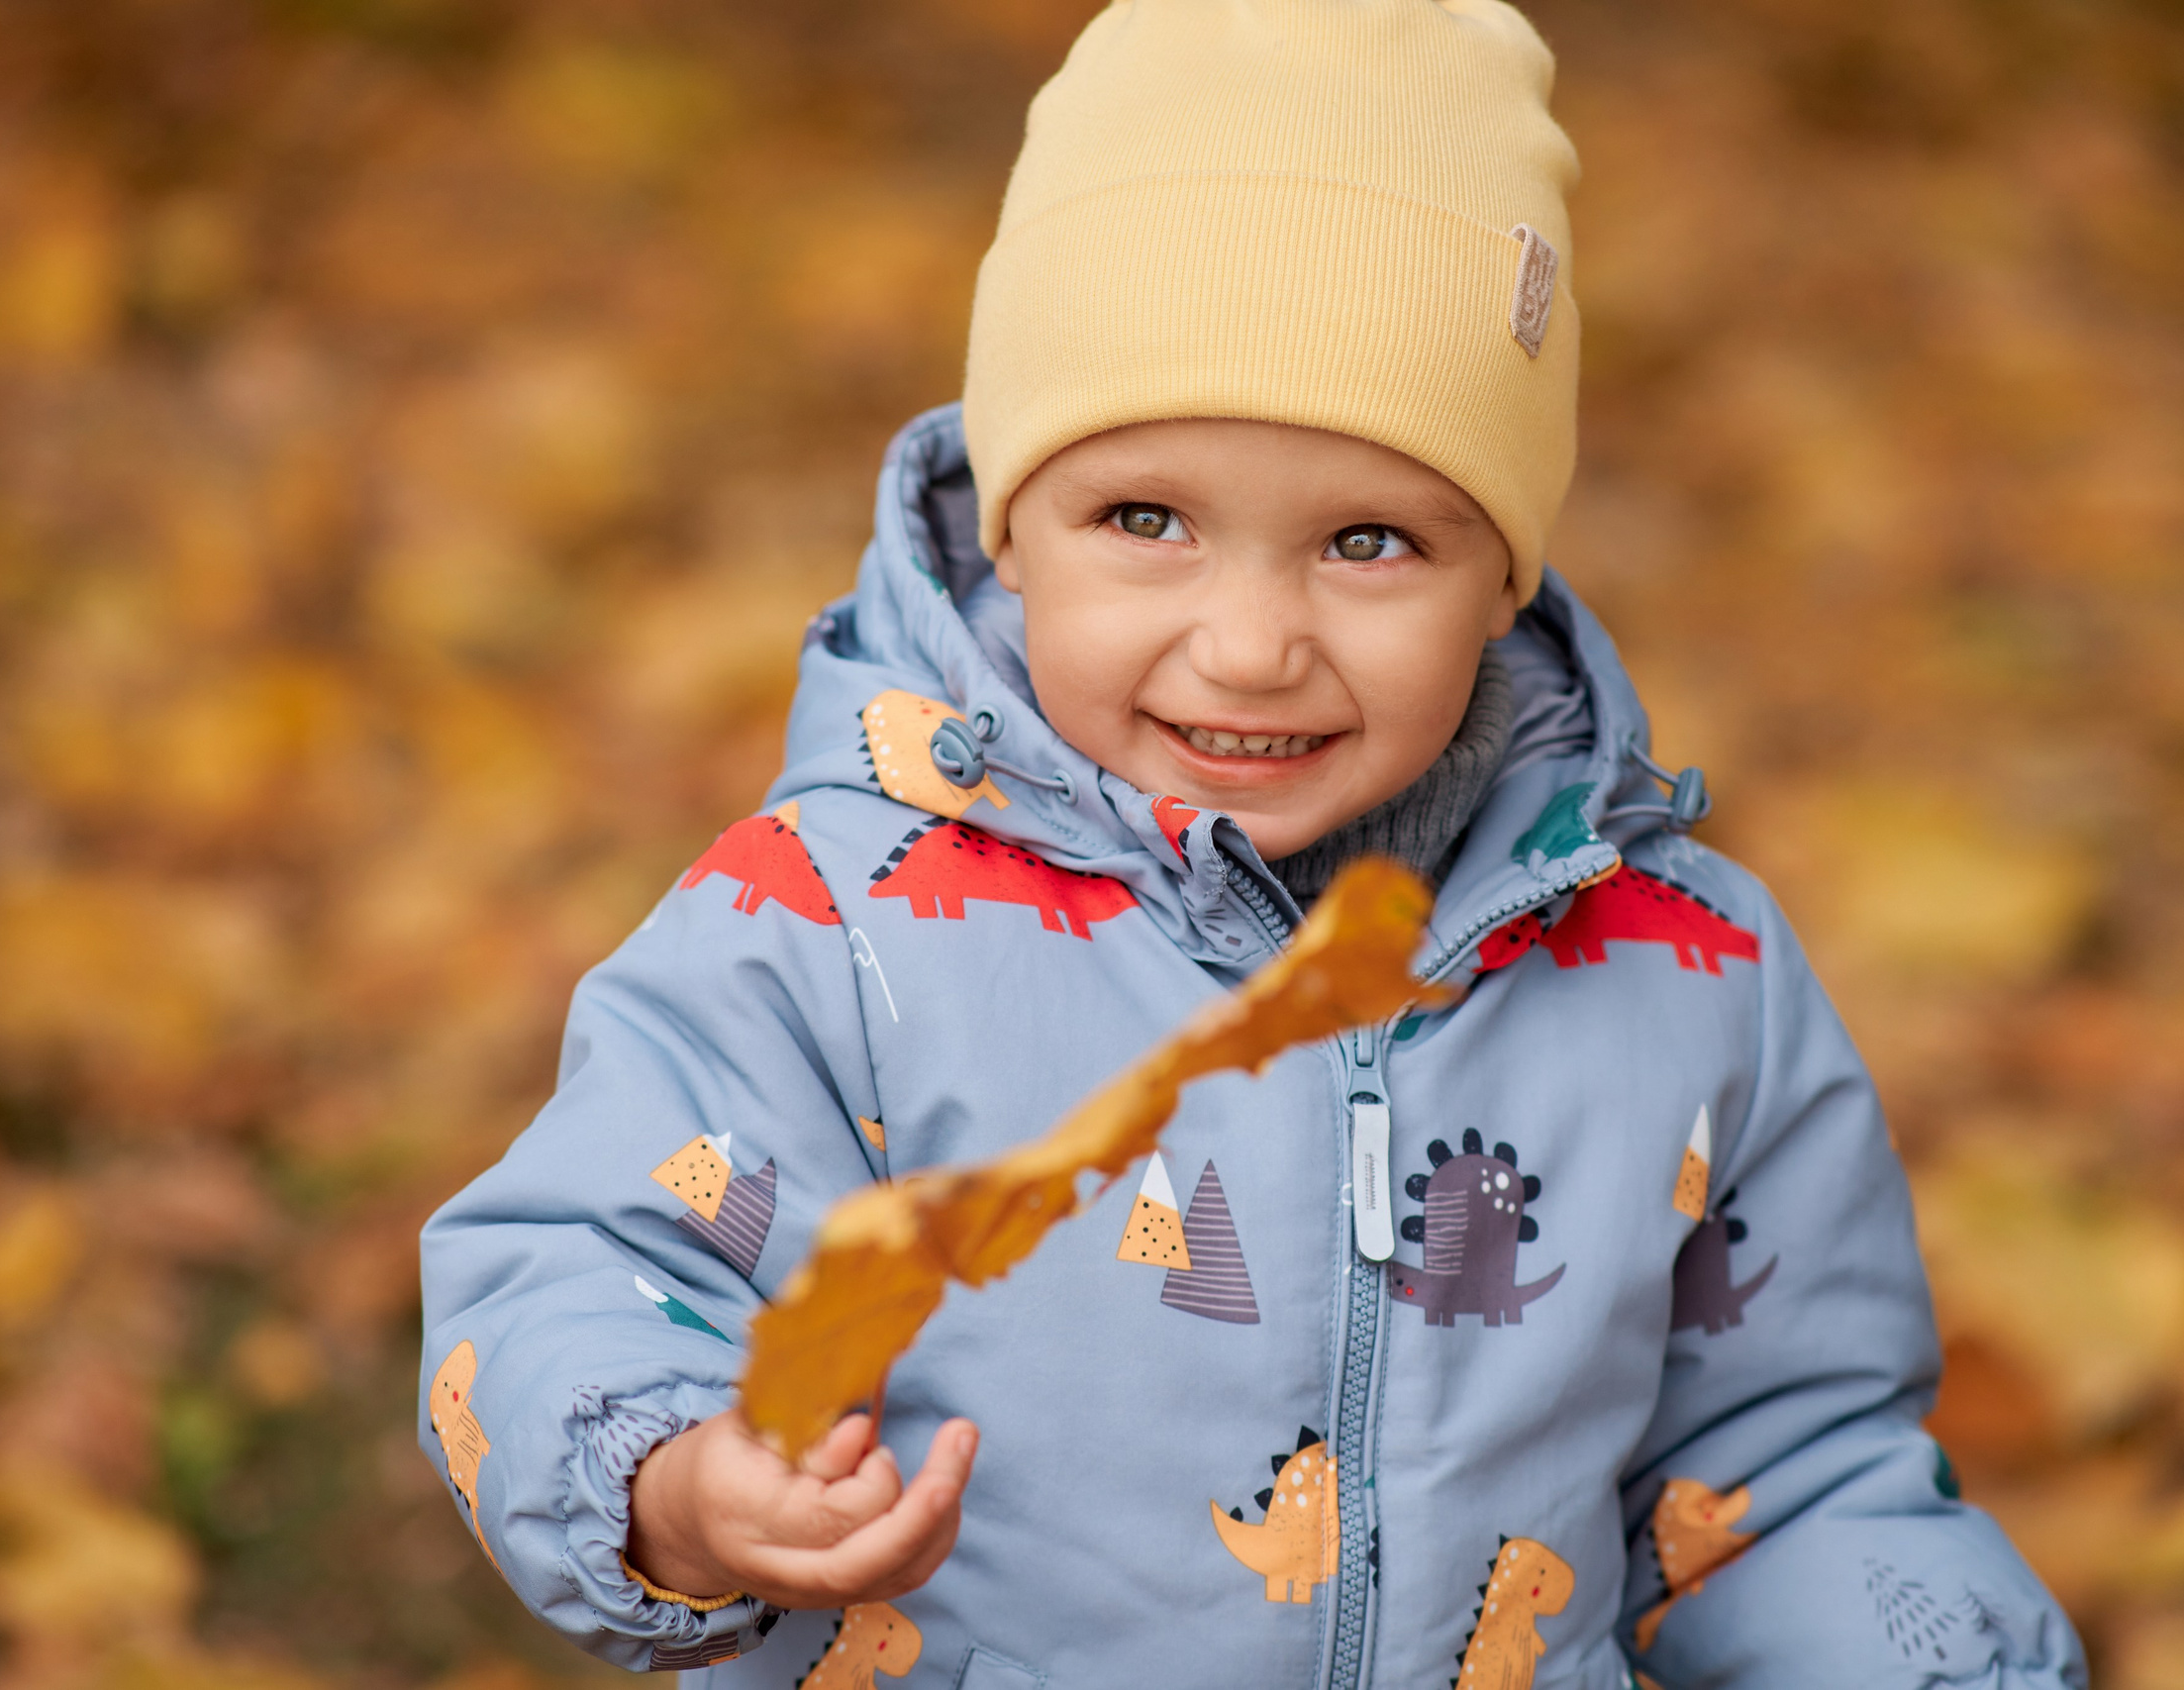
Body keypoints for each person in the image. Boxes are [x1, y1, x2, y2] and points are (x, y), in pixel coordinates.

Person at [417, 3, 2086, 1685]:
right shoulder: (827, 931)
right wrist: (675, 1483)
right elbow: (580, 1263)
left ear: (1501, 574)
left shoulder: (1685, 972)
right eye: (1146, 521)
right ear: (1014, 528)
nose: (1251, 645)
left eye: (1370, 541)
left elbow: (1783, 1468)